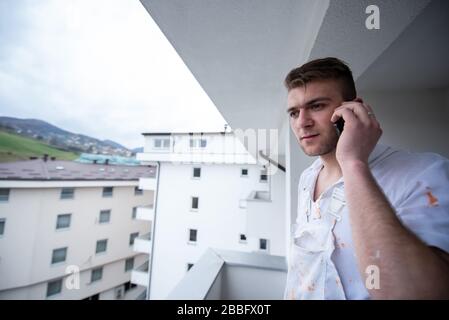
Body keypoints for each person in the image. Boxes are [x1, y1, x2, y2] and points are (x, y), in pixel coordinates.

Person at [283, 57, 449, 299]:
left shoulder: (423, 174)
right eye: (294, 112)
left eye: (316, 106)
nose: (302, 122)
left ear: (352, 109)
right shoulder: (307, 178)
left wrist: (353, 163)